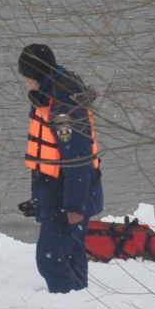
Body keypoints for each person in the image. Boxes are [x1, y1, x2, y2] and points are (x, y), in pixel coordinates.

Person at [19, 42, 104, 293]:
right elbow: (49, 158)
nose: (24, 80)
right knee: (71, 253)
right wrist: (38, 200)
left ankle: (66, 305)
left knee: (51, 260)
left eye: (25, 75)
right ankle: (79, 300)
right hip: (56, 195)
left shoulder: (64, 107)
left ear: (35, 74)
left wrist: (75, 206)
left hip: (67, 198)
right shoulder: (51, 97)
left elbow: (78, 161)